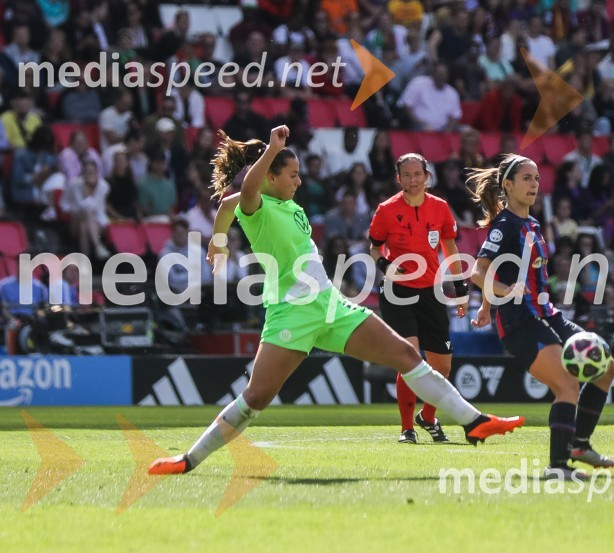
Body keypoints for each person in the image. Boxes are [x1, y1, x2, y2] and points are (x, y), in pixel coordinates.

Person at [148, 127, 524, 475]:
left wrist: (217, 237)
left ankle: (474, 422)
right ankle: (188, 460)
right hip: (292, 313)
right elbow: (241, 196)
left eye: (297, 174)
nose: (298, 180)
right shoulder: (257, 209)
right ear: (270, 177)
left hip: (330, 305)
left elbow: (227, 202)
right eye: (291, 174)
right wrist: (221, 234)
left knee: (407, 357)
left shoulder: (291, 207)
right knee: (257, 397)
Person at [467, 154, 614, 481]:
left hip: (547, 314)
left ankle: (579, 445)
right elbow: (478, 271)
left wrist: (486, 305)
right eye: (526, 178)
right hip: (520, 322)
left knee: (606, 366)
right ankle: (558, 467)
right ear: (508, 185)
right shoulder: (505, 225)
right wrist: (502, 294)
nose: (534, 184)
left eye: (536, 178)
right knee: (567, 384)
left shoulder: (532, 224)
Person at [369, 153, 469, 444]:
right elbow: (375, 247)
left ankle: (427, 417)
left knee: (443, 366)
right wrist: (386, 266)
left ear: (427, 177)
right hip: (397, 291)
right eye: (407, 175)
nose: (413, 180)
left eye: (418, 174)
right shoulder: (386, 210)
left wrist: (460, 291)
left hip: (432, 291)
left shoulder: (440, 208)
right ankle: (406, 429)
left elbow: (450, 250)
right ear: (398, 179)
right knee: (410, 358)